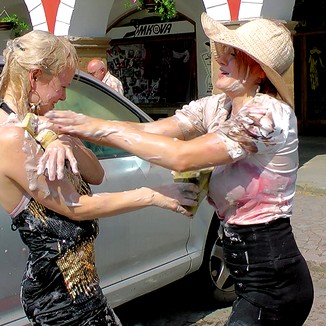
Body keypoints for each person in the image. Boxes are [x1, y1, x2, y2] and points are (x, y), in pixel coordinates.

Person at [44, 13, 315, 325]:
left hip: (275, 279)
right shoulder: (218, 106)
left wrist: (97, 128)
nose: (221, 58)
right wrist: (86, 128)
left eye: (233, 54)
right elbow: (154, 131)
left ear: (257, 71)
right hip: (249, 275)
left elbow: (182, 156)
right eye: (222, 51)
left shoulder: (268, 115)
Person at [0, 30, 199, 325]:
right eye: (62, 86)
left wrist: (68, 142)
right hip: (58, 296)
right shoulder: (10, 137)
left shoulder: (38, 124)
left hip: (80, 289)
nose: (64, 96)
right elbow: (74, 206)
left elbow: (97, 174)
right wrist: (153, 195)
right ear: (35, 77)